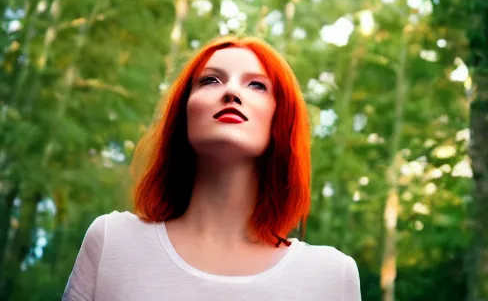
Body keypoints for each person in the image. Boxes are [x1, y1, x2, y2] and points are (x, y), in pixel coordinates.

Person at [62, 35, 362, 300]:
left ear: (280, 120)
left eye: (257, 85)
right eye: (210, 80)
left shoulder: (332, 276)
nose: (231, 91)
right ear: (184, 114)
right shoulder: (112, 242)